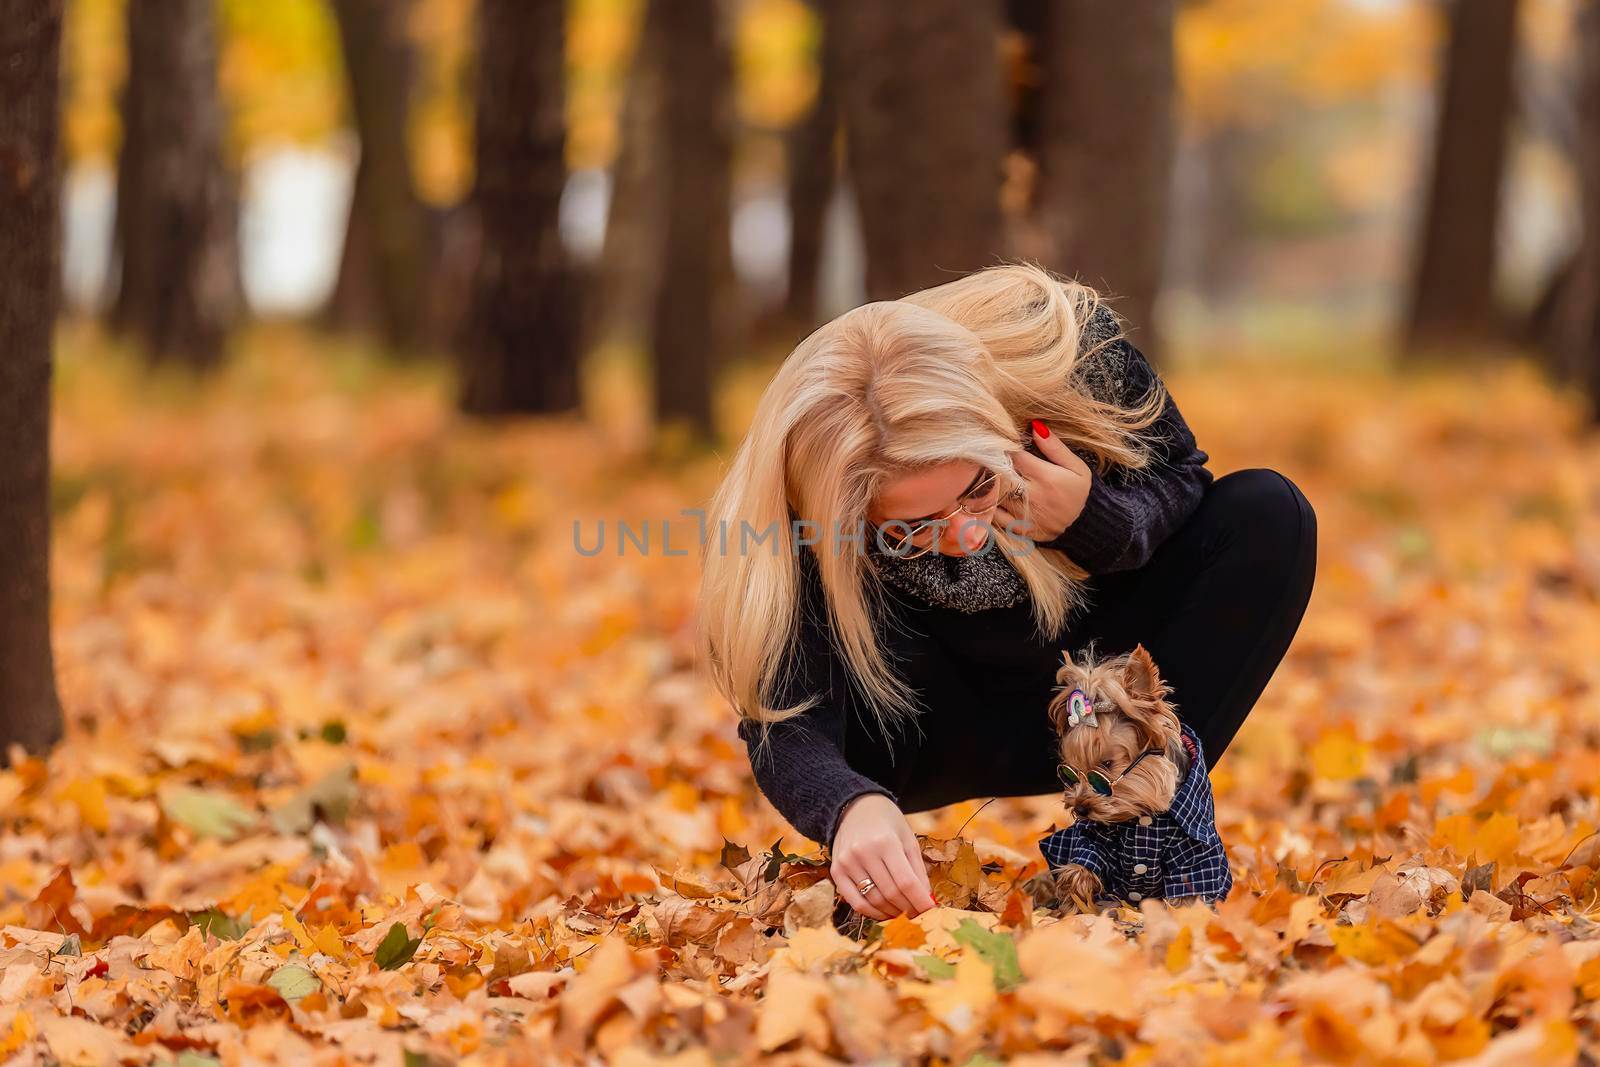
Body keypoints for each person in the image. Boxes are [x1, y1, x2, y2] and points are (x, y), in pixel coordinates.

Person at [695, 262, 1317, 921]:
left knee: (1268, 511)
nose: (964, 535)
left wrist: (1092, 521)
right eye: (911, 527)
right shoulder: (804, 505)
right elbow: (785, 721)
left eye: (977, 489)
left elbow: (1186, 478)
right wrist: (849, 806)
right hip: (926, 718)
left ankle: (1140, 825)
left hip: (1092, 698)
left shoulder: (1069, 353)